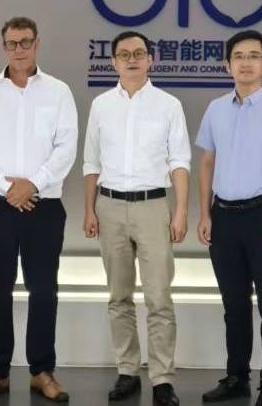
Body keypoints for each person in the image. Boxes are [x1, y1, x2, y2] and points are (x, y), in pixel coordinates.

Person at [0, 17, 77, 403]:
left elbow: (66, 148)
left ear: (37, 44)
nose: (19, 49)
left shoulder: (59, 92)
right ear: (4, 47)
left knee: (43, 290)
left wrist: (33, 184)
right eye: (12, 43)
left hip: (43, 207)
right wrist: (8, 188)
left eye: (26, 42)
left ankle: (42, 371)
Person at [82, 30, 190, 406]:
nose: (132, 59)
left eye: (139, 53)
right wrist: (89, 209)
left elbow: (179, 161)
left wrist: (180, 210)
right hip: (109, 206)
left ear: (150, 59)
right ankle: (127, 371)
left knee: (159, 296)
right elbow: (91, 162)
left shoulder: (168, 105)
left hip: (153, 206)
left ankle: (162, 379)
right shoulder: (101, 105)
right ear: (113, 61)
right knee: (119, 296)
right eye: (124, 54)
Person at [196, 30, 262, 406]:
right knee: (234, 305)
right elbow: (207, 163)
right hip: (223, 217)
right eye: (238, 56)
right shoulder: (216, 109)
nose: (245, 62)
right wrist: (205, 213)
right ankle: (237, 377)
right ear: (228, 65)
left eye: (254, 56)